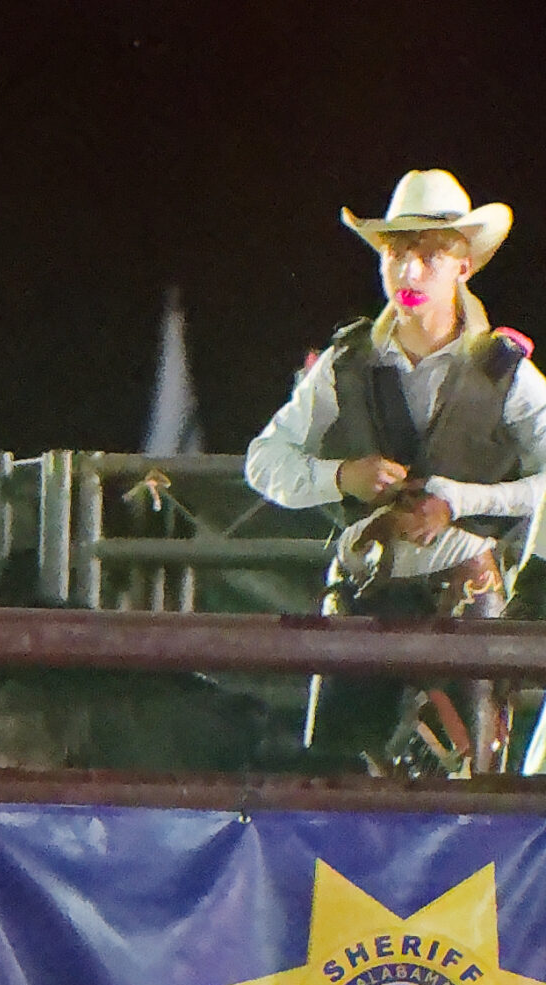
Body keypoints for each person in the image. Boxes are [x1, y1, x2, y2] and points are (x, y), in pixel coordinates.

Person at [245, 169, 545, 770]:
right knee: (334, 780)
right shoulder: (346, 361)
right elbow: (264, 461)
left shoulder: (504, 372)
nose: (409, 273)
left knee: (464, 792)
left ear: (463, 267)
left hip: (464, 593)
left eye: (430, 257)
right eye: (396, 254)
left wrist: (460, 499)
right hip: (365, 589)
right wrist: (340, 478)